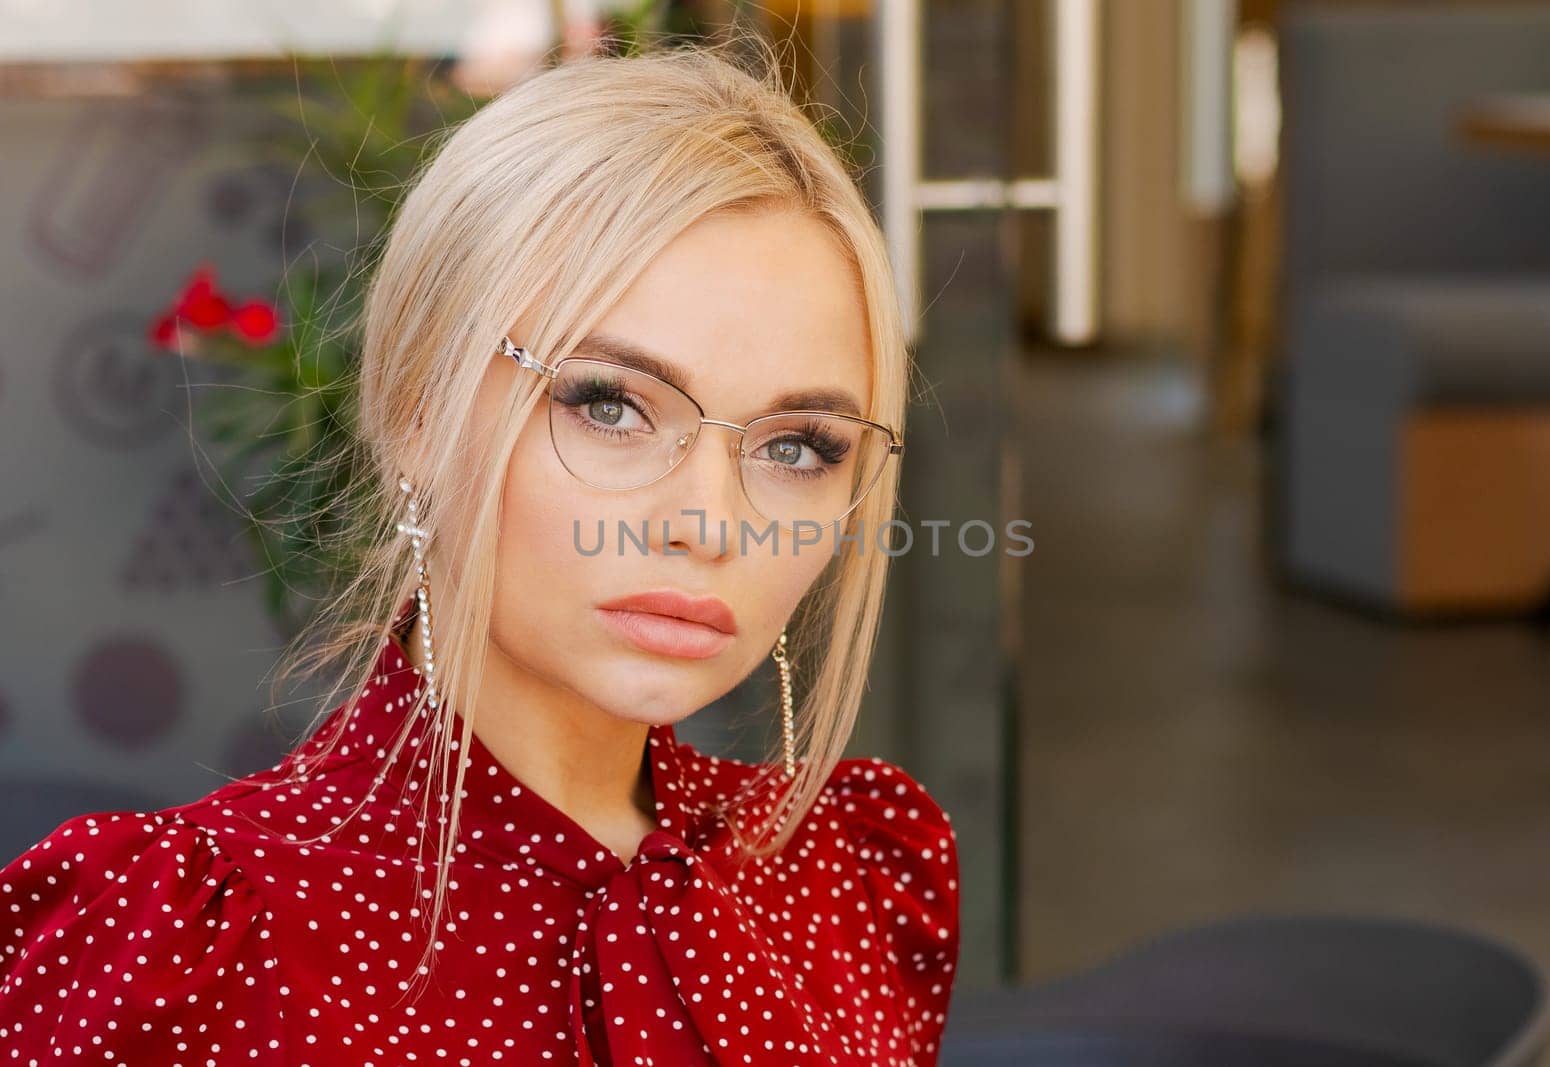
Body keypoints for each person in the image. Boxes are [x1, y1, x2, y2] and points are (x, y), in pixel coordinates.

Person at [0, 40, 960, 1065]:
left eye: (794, 446)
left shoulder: (845, 878)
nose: (711, 521)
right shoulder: (195, 950)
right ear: (419, 404)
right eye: (609, 404)